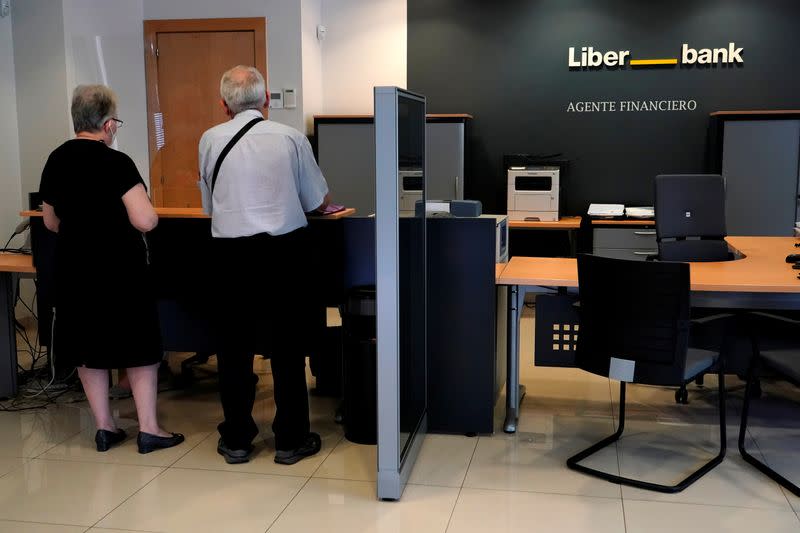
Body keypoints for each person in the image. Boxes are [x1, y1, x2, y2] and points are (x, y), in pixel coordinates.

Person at [39, 84, 184, 454]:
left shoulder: (56, 160)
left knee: (87, 346)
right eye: (115, 122)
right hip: (121, 270)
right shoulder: (116, 163)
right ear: (106, 125)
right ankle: (149, 429)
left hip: (73, 269)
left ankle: (105, 428)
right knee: (138, 345)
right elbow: (146, 220)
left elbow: (50, 221)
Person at [198, 65, 330, 465]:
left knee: (234, 350)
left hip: (229, 257)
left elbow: (209, 205)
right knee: (287, 348)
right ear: (267, 99)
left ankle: (237, 439)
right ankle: (291, 440)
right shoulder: (290, 138)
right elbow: (317, 201)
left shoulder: (208, 140)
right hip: (283, 254)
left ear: (223, 105)